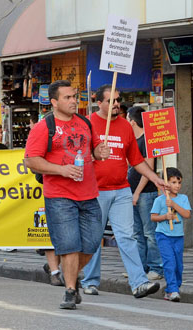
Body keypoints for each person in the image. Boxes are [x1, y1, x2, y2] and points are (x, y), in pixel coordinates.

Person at [24, 80, 111, 309]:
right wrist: (61, 170)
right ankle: (71, 290)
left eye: (75, 96)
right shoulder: (45, 127)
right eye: (68, 98)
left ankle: (68, 274)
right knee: (70, 244)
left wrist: (99, 152)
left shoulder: (85, 122)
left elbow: (93, 151)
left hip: (89, 193)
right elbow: (31, 161)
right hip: (60, 195)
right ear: (54, 102)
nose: (74, 101)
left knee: (91, 244)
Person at [81, 85, 168, 299]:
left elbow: (137, 160)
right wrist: (93, 153)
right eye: (111, 101)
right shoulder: (88, 124)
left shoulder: (125, 126)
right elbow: (77, 155)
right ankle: (90, 281)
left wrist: (157, 179)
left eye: (118, 100)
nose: (116, 104)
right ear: (99, 102)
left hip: (121, 190)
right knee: (94, 238)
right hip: (96, 190)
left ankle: (139, 282)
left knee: (127, 236)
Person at [126, 106, 163, 280]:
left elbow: (149, 170)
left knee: (150, 233)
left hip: (145, 194)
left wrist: (137, 192)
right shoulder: (133, 141)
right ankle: (139, 267)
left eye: (127, 119)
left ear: (133, 121)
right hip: (132, 192)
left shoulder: (148, 141)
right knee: (137, 234)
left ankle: (156, 267)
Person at [151, 167, 191, 302]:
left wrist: (173, 204)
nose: (177, 186)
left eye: (179, 183)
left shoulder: (183, 198)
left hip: (178, 237)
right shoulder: (160, 200)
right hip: (163, 236)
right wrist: (164, 217)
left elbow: (187, 214)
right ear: (166, 182)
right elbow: (153, 217)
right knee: (169, 263)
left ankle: (171, 288)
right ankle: (173, 289)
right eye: (173, 182)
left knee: (179, 265)